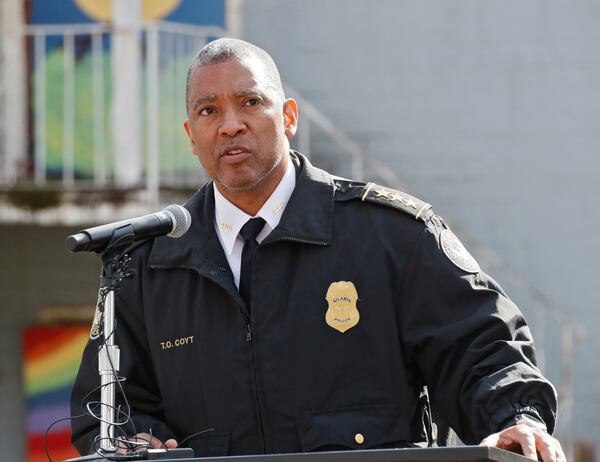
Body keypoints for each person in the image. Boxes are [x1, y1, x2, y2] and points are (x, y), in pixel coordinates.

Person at [71, 38, 566, 462]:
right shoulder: (144, 264)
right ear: (191, 137)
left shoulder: (390, 236)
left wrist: (517, 419)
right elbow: (106, 405)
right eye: (209, 110)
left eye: (250, 102)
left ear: (287, 117)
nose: (230, 125)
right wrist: (135, 443)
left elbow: (481, 350)